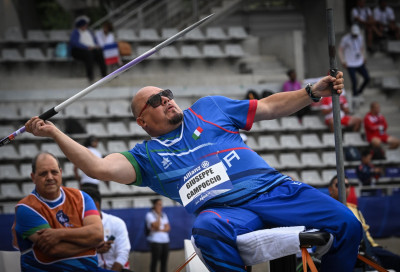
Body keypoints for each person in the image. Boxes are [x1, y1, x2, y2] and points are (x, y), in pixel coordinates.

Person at [25, 71, 363, 272]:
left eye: (167, 94)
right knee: (205, 230)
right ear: (143, 121)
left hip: (272, 189)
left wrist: (312, 92)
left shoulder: (208, 108)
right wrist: (54, 132)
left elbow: (270, 106)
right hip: (225, 212)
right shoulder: (146, 156)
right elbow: (97, 167)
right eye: (156, 100)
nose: (167, 100)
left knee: (347, 223)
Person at [11, 152, 107, 271]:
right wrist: (92, 243)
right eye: (43, 173)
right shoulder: (26, 208)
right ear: (33, 177)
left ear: (61, 173)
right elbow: (55, 249)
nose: (50, 177)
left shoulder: (82, 197)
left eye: (54, 172)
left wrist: (59, 234)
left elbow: (97, 234)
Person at [329, 175, 400, 271]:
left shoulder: (354, 208)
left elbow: (366, 232)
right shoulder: (329, 209)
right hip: (351, 250)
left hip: (371, 247)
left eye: (347, 185)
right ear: (330, 189)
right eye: (339, 185)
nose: (344, 188)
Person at [84, 188, 132, 272]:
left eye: (82, 206)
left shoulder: (117, 223)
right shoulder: (76, 225)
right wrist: (95, 251)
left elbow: (123, 253)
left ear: (96, 205)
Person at [70, 15, 107, 83]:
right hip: (79, 50)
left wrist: (96, 46)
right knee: (89, 55)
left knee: (100, 52)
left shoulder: (89, 31)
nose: (85, 26)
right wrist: (87, 47)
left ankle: (105, 76)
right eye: (84, 25)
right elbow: (75, 43)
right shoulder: (75, 32)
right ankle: (90, 77)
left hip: (91, 49)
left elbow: (95, 41)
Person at [339, 24, 370, 101]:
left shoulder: (360, 37)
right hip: (350, 63)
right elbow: (340, 50)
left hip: (359, 62)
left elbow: (361, 48)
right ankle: (355, 96)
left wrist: (363, 57)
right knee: (354, 81)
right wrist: (343, 61)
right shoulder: (345, 39)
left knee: (367, 78)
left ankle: (359, 91)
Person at [145, 198, 170, 272]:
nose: (161, 207)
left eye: (161, 205)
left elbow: (168, 228)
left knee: (164, 263)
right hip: (155, 242)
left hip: (165, 241)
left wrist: (159, 229)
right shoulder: (149, 215)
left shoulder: (164, 215)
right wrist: (158, 215)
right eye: (159, 205)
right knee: (155, 262)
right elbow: (156, 226)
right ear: (154, 205)